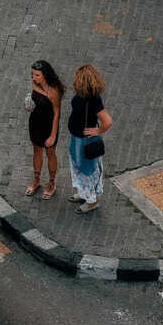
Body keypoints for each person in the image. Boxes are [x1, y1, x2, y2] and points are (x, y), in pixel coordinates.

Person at [67, 64, 112, 213]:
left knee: (86, 171)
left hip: (84, 141)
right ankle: (83, 193)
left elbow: (108, 121)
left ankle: (92, 201)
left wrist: (98, 131)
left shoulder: (94, 100)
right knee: (78, 167)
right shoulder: (82, 95)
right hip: (77, 138)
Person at [24, 60, 65, 199]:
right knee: (36, 150)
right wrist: (29, 104)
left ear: (45, 75)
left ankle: (52, 183)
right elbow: (34, 98)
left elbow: (56, 114)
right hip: (35, 121)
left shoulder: (54, 91)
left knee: (50, 152)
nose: (33, 78)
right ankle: (36, 180)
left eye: (37, 75)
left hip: (48, 124)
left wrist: (53, 135)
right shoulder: (34, 83)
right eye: (32, 74)